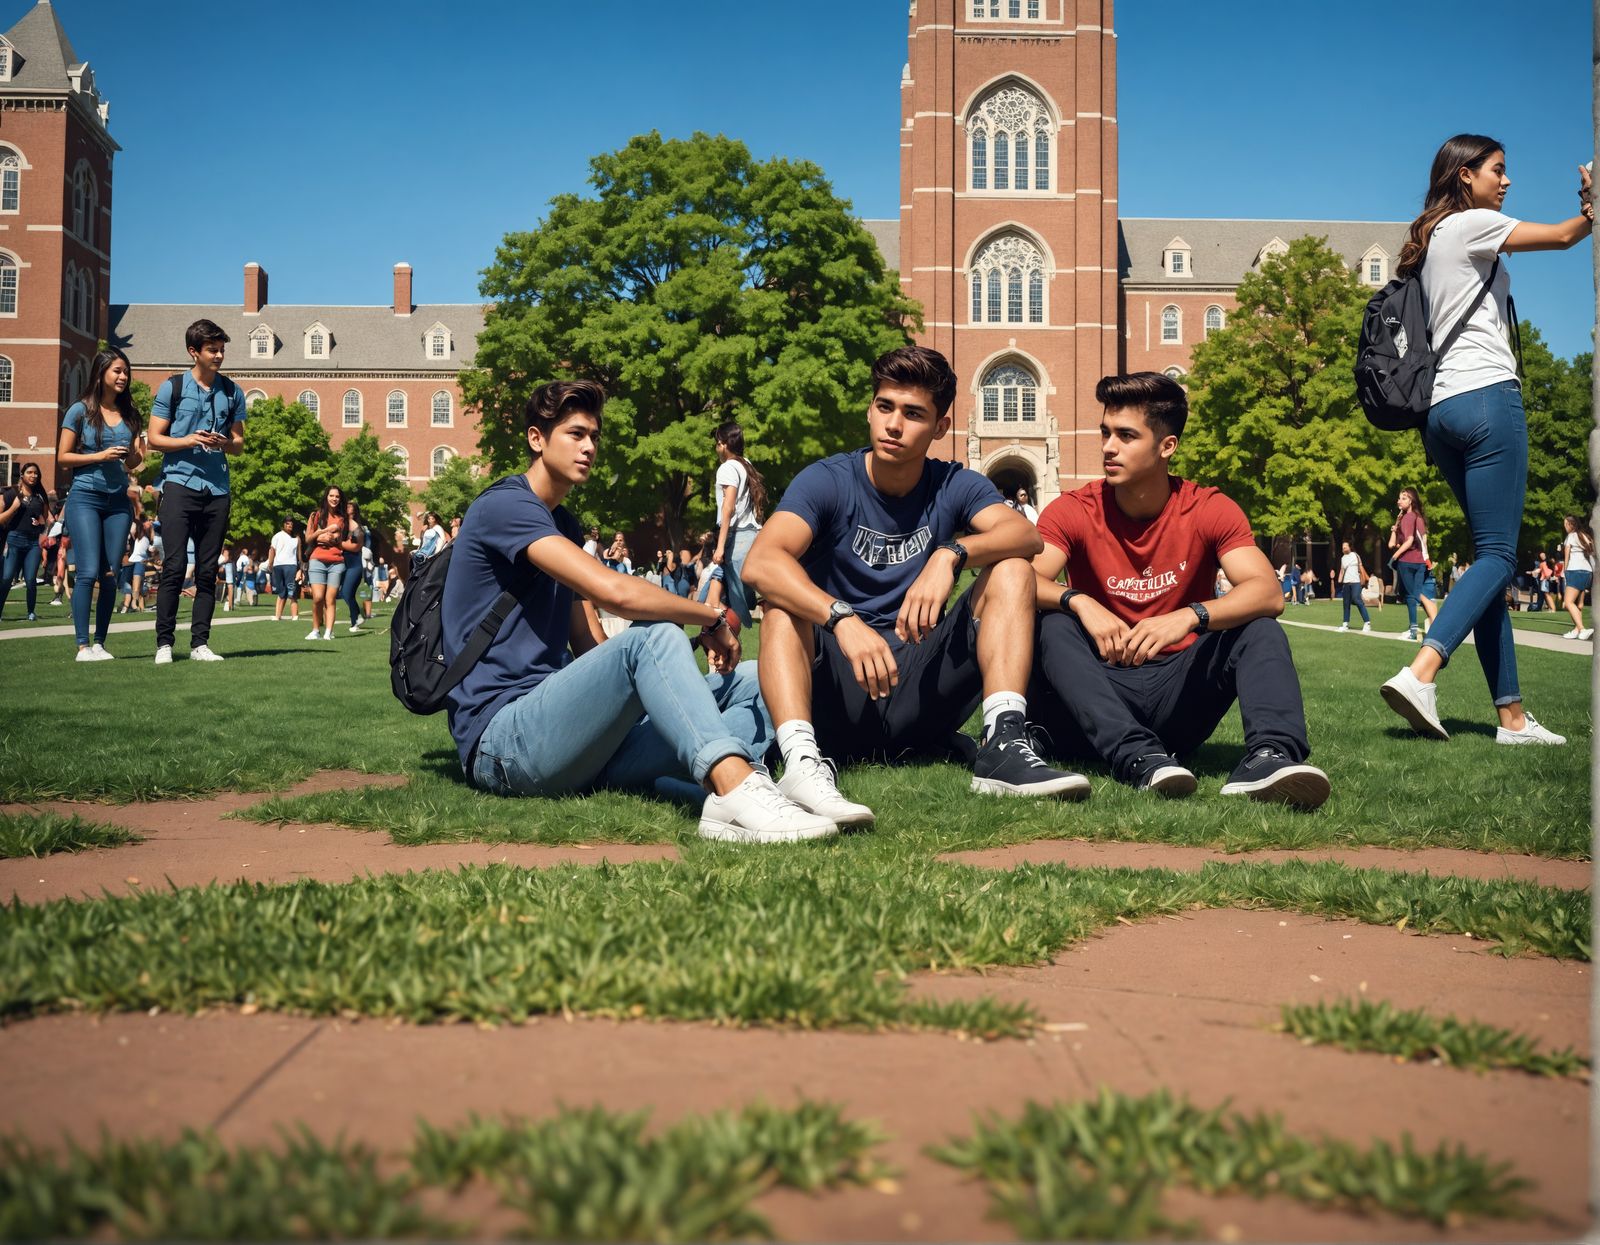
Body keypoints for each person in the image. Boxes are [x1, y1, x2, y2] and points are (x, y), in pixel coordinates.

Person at [442, 379, 835, 844]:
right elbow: (614, 592)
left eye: (594, 436)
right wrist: (707, 617)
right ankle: (733, 788)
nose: (589, 446)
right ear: (536, 439)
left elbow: (590, 646)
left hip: (568, 737)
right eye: (575, 434)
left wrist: (662, 681)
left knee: (756, 677)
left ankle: (729, 787)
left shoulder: (561, 525)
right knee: (653, 635)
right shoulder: (505, 506)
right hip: (503, 741)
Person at [744, 344, 1088, 828]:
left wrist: (951, 554)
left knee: (1010, 567)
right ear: (870, 409)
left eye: (912, 414)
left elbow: (1025, 536)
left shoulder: (953, 484)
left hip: (920, 680)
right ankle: (801, 763)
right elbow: (760, 563)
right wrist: (842, 618)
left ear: (941, 428)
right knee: (781, 604)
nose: (893, 425)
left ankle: (1004, 745)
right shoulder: (827, 480)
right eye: (884, 407)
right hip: (840, 693)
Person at [1026, 372, 1330, 807]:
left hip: (1177, 689)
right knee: (1052, 624)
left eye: (1127, 436)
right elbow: (1021, 581)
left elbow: (1268, 592)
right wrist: (1079, 600)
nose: (1109, 447)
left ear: (1166, 446)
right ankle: (1135, 755)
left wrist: (1190, 616)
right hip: (1097, 689)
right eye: (1106, 433)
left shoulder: (1207, 508)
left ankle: (1271, 758)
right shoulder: (1075, 509)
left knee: (1259, 629)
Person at [1379, 134, 1590, 747]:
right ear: (1466, 177)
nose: (1507, 182)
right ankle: (1423, 671)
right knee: (1500, 556)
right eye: (1499, 171)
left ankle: (1513, 719)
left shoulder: (1432, 242)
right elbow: (1562, 237)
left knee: (1491, 568)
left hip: (1441, 414)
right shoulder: (1470, 224)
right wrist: (1591, 203)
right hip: (1488, 399)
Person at [148, 320, 246, 664]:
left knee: (207, 570)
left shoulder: (233, 392)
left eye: (222, 349)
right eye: (212, 350)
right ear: (194, 352)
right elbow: (154, 438)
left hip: (217, 489)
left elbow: (239, 445)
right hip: (178, 484)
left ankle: (199, 644)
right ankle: (164, 644)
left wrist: (225, 443)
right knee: (174, 566)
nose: (219, 355)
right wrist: (189, 440)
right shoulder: (172, 388)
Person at [57, 348, 144, 661]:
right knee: (88, 570)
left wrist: (135, 457)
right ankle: (82, 646)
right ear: (101, 373)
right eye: (117, 371)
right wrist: (99, 456)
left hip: (118, 500)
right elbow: (63, 457)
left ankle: (100, 644)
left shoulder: (130, 414)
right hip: (85, 496)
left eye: (125, 372)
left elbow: (135, 461)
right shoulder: (79, 411)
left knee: (111, 573)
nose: (123, 377)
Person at [711, 422, 767, 627]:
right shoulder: (746, 464)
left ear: (723, 445)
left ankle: (726, 643)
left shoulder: (726, 468)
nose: (716, 449)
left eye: (717, 444)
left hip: (738, 538)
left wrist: (719, 547)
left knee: (733, 604)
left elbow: (728, 508)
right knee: (735, 594)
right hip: (752, 535)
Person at [1388, 487, 1438, 640]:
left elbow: (1408, 541)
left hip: (1407, 562)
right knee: (1419, 596)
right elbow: (1422, 541)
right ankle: (1431, 628)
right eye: (1399, 498)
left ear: (1411, 501)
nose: (1399, 501)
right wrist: (1395, 528)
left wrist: (1394, 558)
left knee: (1412, 596)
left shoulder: (1408, 517)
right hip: (1420, 563)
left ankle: (1413, 632)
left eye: (1403, 498)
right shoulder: (1418, 518)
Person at [0, 462, 48, 620]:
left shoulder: (40, 496)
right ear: (22, 474)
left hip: (33, 543)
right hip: (13, 540)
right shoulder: (10, 493)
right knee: (7, 578)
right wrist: (14, 507)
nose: (33, 476)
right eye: (30, 472)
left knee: (30, 580)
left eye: (36, 473)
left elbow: (45, 520)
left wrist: (40, 524)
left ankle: (31, 612)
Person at [303, 486, 349, 641]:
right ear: (326, 497)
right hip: (317, 560)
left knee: (330, 599)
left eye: (337, 496)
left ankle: (329, 632)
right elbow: (309, 539)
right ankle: (315, 630)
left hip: (336, 561)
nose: (334, 499)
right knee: (317, 597)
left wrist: (327, 536)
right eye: (331, 495)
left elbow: (336, 538)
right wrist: (320, 533)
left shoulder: (342, 518)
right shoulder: (315, 515)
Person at [1558, 515, 1594, 639]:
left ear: (1571, 525)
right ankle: (1576, 629)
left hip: (1575, 570)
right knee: (1577, 603)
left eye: (1565, 524)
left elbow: (1566, 556)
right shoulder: (1584, 536)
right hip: (1587, 572)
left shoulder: (1571, 537)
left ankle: (1582, 629)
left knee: (1568, 602)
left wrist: (1564, 571)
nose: (1564, 526)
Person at [267, 517, 302, 622]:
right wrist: (270, 563)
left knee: (292, 591)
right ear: (283, 525)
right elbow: (272, 550)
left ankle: (294, 615)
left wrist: (300, 569)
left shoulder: (297, 538)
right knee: (281, 592)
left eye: (291, 524)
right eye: (287, 523)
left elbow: (299, 555)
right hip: (278, 565)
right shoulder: (277, 536)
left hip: (291, 565)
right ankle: (277, 616)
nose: (290, 525)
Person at [341, 500, 368, 631]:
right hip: (345, 563)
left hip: (354, 564)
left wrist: (338, 543)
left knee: (346, 593)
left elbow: (356, 547)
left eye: (350, 506)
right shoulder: (343, 524)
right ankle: (355, 622)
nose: (347, 508)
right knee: (348, 594)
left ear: (355, 510)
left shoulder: (357, 527)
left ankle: (358, 616)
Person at [1335, 541, 1372, 632]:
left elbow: (1361, 567)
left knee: (1356, 599)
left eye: (1345, 547)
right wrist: (1339, 580)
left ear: (1349, 547)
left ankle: (1367, 623)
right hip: (1346, 583)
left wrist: (1365, 579)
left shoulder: (1355, 555)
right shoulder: (1343, 558)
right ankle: (1345, 624)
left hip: (1356, 582)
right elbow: (1342, 570)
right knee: (1346, 603)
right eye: (1342, 547)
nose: (1343, 548)